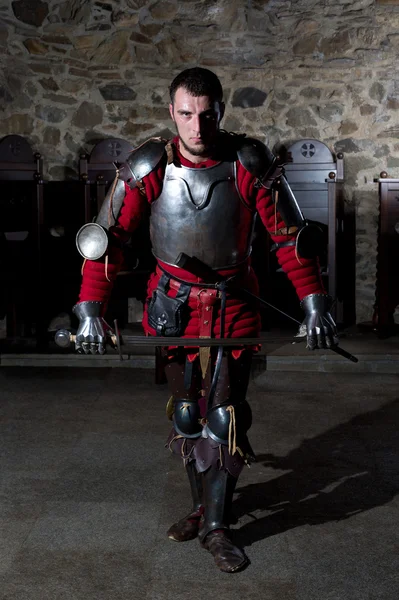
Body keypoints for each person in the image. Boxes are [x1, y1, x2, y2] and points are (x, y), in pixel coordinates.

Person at [72, 67, 338, 572]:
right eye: (187, 114)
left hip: (231, 305)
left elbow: (288, 238)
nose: (197, 126)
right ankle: (201, 506)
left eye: (207, 114)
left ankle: (218, 526)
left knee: (223, 417)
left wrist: (314, 302)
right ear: (172, 112)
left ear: (221, 112)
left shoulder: (246, 162)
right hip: (170, 306)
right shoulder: (148, 167)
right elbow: (107, 241)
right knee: (187, 415)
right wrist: (90, 309)